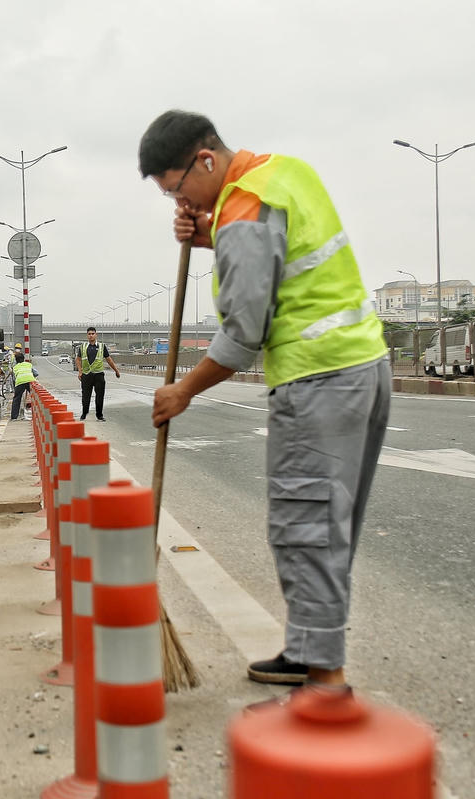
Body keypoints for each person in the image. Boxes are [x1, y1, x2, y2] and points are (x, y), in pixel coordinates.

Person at [139, 110, 390, 691]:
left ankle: (325, 688)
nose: (180, 201)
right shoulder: (284, 174)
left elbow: (243, 335)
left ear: (205, 160)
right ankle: (308, 649)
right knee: (328, 525)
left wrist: (183, 390)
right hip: (363, 368)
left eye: (177, 188)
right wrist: (210, 234)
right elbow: (276, 252)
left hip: (316, 381)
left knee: (307, 526)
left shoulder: (243, 212)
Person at [75, 326, 120, 421]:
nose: (91, 335)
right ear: (87, 335)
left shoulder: (102, 346)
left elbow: (109, 359)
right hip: (86, 375)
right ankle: (84, 413)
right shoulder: (83, 347)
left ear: (96, 335)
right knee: (85, 396)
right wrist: (80, 371)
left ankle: (99, 415)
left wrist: (116, 370)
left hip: (99, 375)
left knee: (100, 395)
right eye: (89, 334)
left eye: (92, 334)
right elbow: (78, 360)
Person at [9, 352, 38, 420]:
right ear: (23, 358)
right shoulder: (29, 365)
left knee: (16, 399)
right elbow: (36, 373)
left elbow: (14, 379)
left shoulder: (15, 367)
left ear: (16, 360)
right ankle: (37, 414)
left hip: (20, 382)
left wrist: (15, 388)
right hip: (30, 381)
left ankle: (14, 416)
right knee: (35, 398)